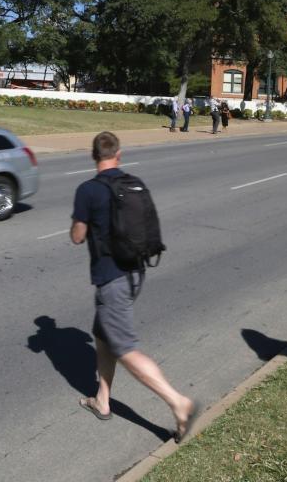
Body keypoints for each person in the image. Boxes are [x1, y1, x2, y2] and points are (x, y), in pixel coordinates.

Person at [70, 132, 196, 442]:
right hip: (135, 272)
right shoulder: (133, 181)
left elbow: (77, 236)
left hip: (111, 280)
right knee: (102, 336)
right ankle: (102, 399)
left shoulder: (88, 190)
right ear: (119, 155)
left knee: (124, 348)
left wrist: (81, 223)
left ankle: (178, 403)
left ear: (93, 156)